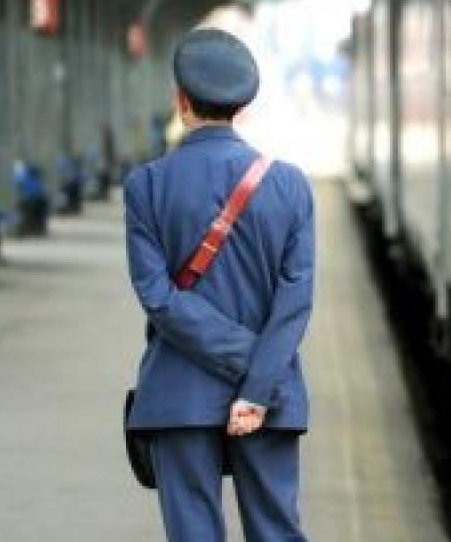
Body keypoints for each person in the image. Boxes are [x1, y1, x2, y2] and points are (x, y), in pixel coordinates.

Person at [122, 28, 314, 542]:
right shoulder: (290, 184)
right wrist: (256, 380)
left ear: (181, 102)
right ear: (242, 107)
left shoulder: (147, 185)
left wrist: (241, 360)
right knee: (277, 531)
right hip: (270, 394)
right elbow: (295, 302)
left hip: (179, 394)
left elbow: (157, 297)